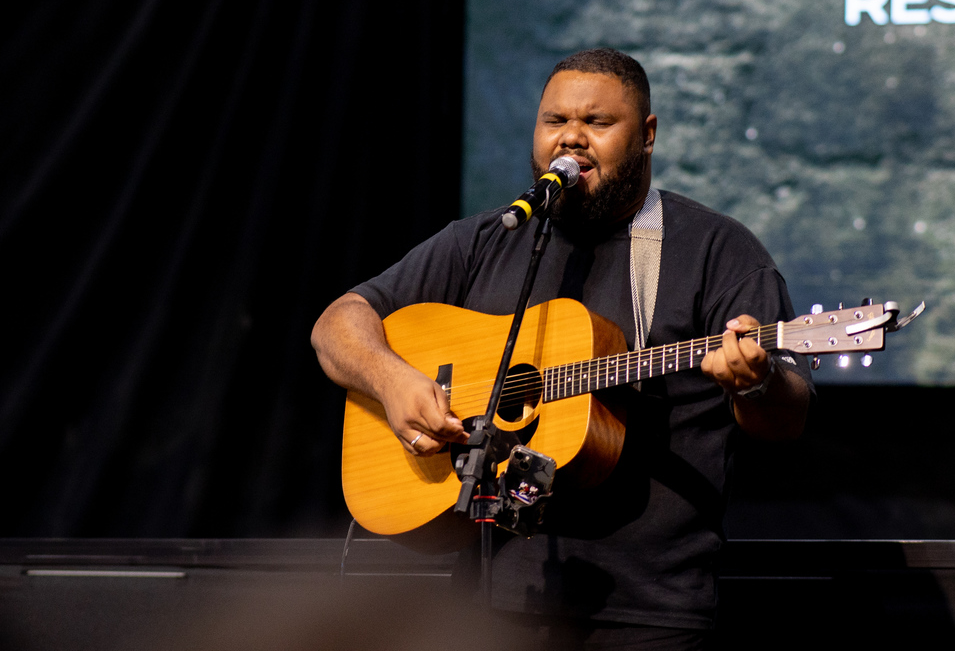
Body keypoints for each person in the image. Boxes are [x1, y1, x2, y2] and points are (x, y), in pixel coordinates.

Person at [311, 48, 812, 648]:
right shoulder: (488, 239)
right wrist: (393, 381)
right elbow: (336, 325)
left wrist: (754, 382)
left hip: (650, 613)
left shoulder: (717, 251)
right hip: (487, 605)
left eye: (597, 123)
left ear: (646, 135)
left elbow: (789, 417)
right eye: (555, 122)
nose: (571, 138)